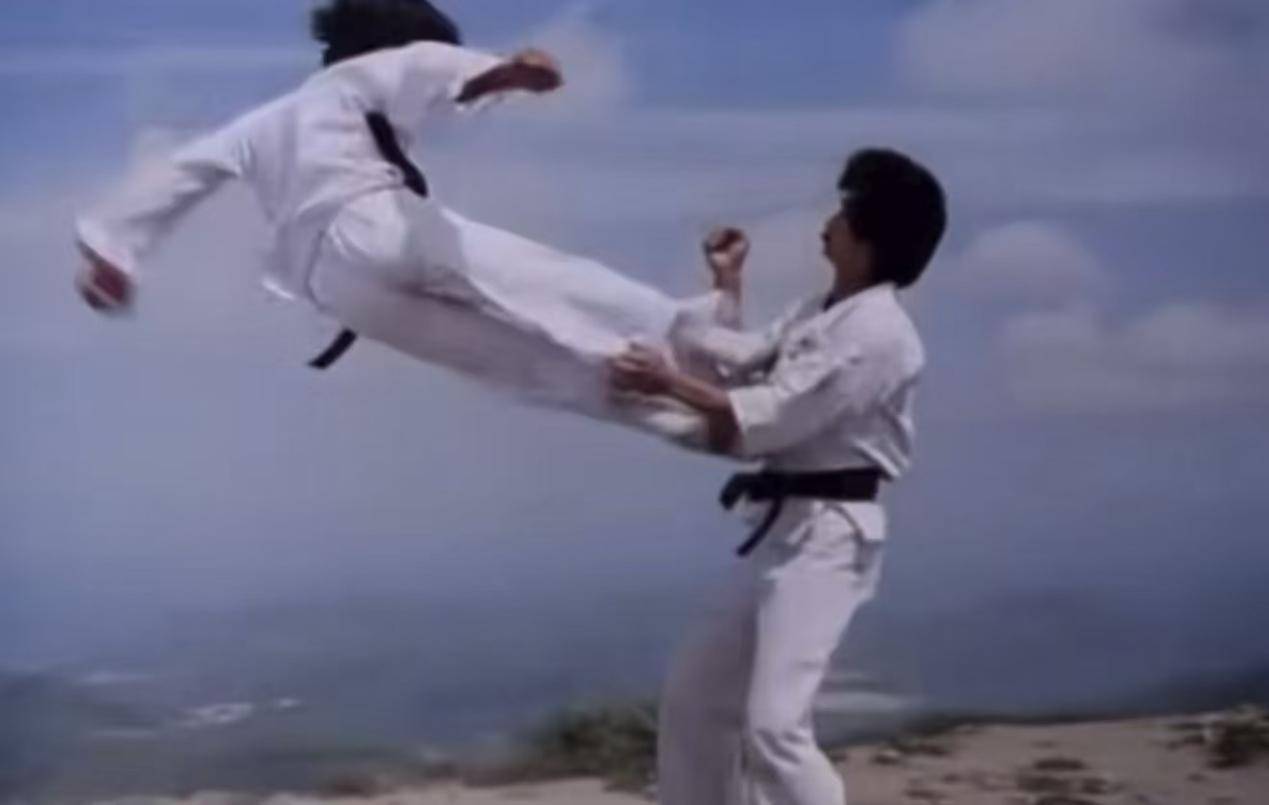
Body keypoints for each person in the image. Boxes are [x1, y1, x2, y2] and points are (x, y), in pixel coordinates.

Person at [75, 0, 734, 444]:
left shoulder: (262, 121)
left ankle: (682, 425)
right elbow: (435, 69)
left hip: (332, 288)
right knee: (541, 281)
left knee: (508, 362)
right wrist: (508, 74)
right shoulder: (375, 66)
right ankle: (705, 339)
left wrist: (114, 252)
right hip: (371, 221)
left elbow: (180, 173)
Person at [611, 148, 947, 805]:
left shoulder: (879, 333)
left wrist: (665, 381)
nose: (828, 223)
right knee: (696, 699)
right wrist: (727, 284)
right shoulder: (820, 310)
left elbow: (773, 413)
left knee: (774, 727)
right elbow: (741, 360)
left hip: (830, 535)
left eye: (844, 212)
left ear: (869, 236)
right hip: (780, 524)